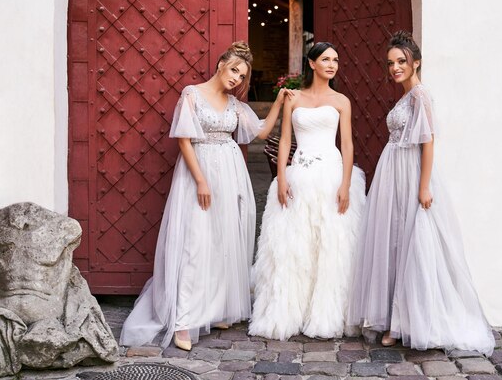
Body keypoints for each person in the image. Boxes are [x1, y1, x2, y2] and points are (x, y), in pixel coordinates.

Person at [120, 42, 288, 351]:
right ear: (221, 63)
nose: (237, 78)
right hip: (199, 172)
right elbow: (184, 140)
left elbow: (261, 131)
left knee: (223, 239)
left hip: (231, 174)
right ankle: (184, 319)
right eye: (234, 69)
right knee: (195, 242)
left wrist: (278, 100)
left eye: (242, 75)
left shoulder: (234, 105)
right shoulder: (192, 94)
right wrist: (201, 181)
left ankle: (215, 308)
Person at [347, 31, 495, 355]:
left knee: (412, 242)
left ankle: (404, 322)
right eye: (390, 63)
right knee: (394, 241)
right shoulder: (406, 96)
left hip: (410, 173)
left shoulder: (420, 95)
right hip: (392, 173)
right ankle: (392, 318)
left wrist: (424, 185)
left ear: (416, 62)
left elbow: (428, 142)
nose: (395, 68)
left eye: (401, 61)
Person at [249, 42, 366, 340]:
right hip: (298, 174)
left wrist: (345, 183)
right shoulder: (294, 98)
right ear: (311, 64)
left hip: (331, 176)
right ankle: (290, 310)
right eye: (326, 59)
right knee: (293, 246)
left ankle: (325, 313)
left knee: (329, 246)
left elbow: (348, 144)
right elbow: (285, 140)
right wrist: (282, 177)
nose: (332, 64)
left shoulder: (342, 101)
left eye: (336, 60)